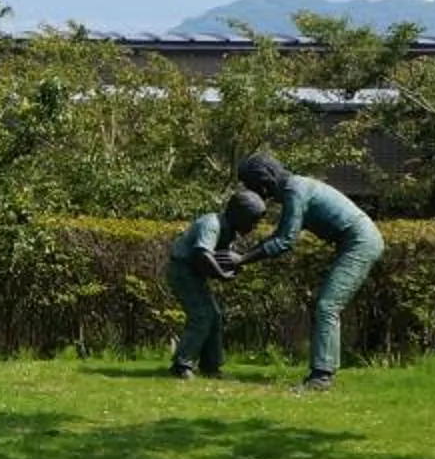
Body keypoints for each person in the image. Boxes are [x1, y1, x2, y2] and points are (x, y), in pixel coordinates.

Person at [231, 150, 384, 392]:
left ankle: (321, 377)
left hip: (361, 242)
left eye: (254, 186)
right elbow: (282, 236)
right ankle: (324, 371)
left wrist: (242, 259)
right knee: (326, 304)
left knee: (328, 305)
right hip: (353, 242)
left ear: (265, 179)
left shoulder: (295, 191)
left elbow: (285, 240)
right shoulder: (296, 188)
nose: (256, 193)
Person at [164, 187, 265, 379]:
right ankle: (181, 365)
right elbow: (201, 254)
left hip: (194, 274)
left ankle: (211, 366)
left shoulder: (229, 231)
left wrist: (236, 264)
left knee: (214, 315)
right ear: (239, 215)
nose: (254, 226)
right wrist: (222, 275)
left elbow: (219, 257)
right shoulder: (212, 224)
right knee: (202, 315)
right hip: (182, 271)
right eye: (253, 220)